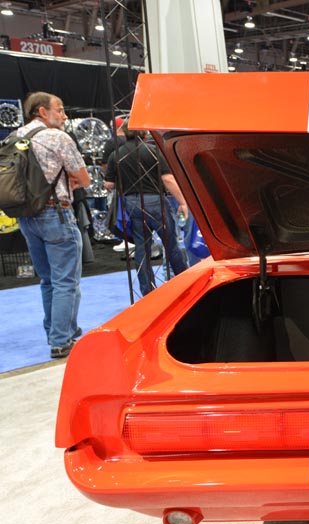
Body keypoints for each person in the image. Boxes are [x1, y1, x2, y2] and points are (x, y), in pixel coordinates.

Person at [13, 92, 92, 359]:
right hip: (56, 214)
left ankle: (57, 331)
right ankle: (61, 340)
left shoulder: (15, 137)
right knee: (66, 281)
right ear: (42, 112)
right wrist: (71, 178)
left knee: (48, 280)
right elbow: (84, 178)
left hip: (26, 216)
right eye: (60, 110)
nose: (65, 116)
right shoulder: (56, 137)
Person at [103, 122, 188, 297]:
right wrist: (183, 202)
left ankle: (147, 292)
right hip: (156, 201)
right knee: (171, 245)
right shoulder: (153, 151)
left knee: (142, 247)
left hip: (131, 203)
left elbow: (108, 184)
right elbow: (168, 179)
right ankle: (185, 284)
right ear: (144, 133)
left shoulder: (115, 154)